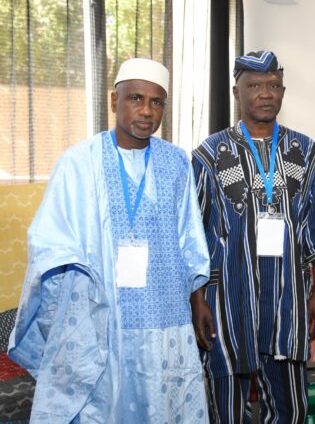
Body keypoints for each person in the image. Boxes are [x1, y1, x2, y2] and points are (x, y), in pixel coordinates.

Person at [8, 58, 211, 423]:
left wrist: (198, 300)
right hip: (101, 312)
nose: (146, 111)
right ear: (114, 100)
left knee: (163, 403)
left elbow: (190, 237)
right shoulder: (78, 162)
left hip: (163, 312)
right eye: (136, 98)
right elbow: (48, 237)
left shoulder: (177, 162)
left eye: (157, 102)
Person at [190, 50, 315, 424]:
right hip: (227, 303)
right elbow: (195, 237)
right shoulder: (208, 155)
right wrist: (197, 300)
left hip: (288, 301)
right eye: (254, 86)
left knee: (290, 408)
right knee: (226, 409)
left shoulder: (306, 152)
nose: (265, 93)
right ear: (237, 92)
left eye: (273, 85)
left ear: (283, 91)